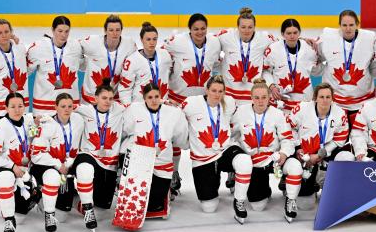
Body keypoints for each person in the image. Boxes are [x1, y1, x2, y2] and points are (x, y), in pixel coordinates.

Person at [230, 79, 300, 223]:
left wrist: (284, 153)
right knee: (257, 206)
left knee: (295, 166)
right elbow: (231, 135)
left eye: (264, 97)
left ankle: (291, 201)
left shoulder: (278, 115)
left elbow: (287, 139)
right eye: (257, 97)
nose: (260, 101)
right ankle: (260, 192)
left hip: (273, 160)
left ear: (269, 98)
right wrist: (238, 154)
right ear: (251, 98)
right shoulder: (241, 113)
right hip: (253, 164)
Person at [181, 75, 253, 215]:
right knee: (209, 207)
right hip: (203, 158)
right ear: (207, 90)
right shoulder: (191, 103)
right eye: (214, 90)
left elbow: (240, 121)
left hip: (224, 150)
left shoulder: (229, 102)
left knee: (244, 161)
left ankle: (239, 201)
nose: (217, 94)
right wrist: (185, 143)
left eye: (220, 91)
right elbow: (177, 120)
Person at [122, 83, 188, 219]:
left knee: (154, 206)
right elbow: (125, 131)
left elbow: (181, 140)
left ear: (161, 96)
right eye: (150, 97)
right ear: (144, 98)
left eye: (157, 96)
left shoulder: (173, 113)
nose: (154, 100)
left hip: (162, 163)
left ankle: (166, 192)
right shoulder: (134, 110)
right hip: (140, 162)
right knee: (139, 203)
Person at [287, 83, 354, 208]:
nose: (325, 100)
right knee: (305, 205)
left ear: (332, 98)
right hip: (305, 151)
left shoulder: (340, 113)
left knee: (347, 157)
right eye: (321, 97)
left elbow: (340, 138)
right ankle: (303, 184)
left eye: (328, 97)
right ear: (315, 98)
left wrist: (321, 153)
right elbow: (288, 128)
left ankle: (332, 188)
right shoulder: (301, 109)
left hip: (326, 150)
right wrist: (298, 147)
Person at [0, 92, 37, 232]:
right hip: (1, 170)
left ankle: (1, 198)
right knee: (18, 215)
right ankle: (6, 217)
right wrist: (11, 166)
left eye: (20, 106)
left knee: (24, 212)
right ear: (6, 107)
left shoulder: (29, 122)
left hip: (23, 172)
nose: (17, 110)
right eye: (12, 106)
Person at [29, 93, 85, 232]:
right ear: (55, 107)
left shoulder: (78, 120)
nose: (67, 109)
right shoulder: (46, 123)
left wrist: (67, 164)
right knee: (60, 215)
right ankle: (40, 197)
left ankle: (73, 198)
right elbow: (35, 150)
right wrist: (58, 165)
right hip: (46, 166)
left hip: (66, 167)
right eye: (63, 106)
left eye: (70, 106)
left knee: (64, 214)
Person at [72, 82, 126, 227]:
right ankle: (84, 205)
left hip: (109, 164)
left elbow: (141, 107)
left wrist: (163, 103)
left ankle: (79, 199)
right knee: (85, 168)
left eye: (110, 98)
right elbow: (64, 107)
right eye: (104, 98)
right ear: (95, 98)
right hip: (89, 156)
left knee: (102, 211)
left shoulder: (119, 109)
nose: (108, 101)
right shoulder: (85, 110)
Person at [316, 10, 376, 127]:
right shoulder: (328, 38)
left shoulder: (369, 39)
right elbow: (315, 55)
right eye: (344, 25)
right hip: (335, 103)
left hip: (363, 101)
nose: (348, 29)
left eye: (351, 25)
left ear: (357, 24)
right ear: (339, 25)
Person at [27, 15, 82, 116]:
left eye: (66, 31)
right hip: (43, 109)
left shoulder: (76, 47)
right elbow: (25, 71)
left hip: (70, 108)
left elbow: (84, 65)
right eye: (60, 31)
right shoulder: (38, 48)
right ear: (52, 30)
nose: (63, 35)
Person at [218, 7, 276, 104]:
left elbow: (284, 44)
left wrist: (302, 40)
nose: (246, 30)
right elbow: (208, 41)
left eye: (250, 27)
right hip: (229, 97)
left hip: (252, 98)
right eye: (243, 27)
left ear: (254, 27)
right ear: (238, 27)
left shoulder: (264, 38)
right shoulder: (226, 36)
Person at [263, 18, 321, 113]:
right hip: (281, 102)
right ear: (282, 34)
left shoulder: (310, 49)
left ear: (299, 33)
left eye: (295, 33)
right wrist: (271, 86)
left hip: (304, 101)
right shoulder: (273, 49)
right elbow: (265, 71)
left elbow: (318, 68)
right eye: (288, 33)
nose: (292, 36)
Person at [165, 13, 222, 105]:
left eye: (203, 29)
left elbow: (216, 64)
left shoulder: (215, 42)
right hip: (177, 100)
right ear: (190, 29)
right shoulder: (176, 42)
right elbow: (159, 56)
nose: (200, 32)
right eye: (196, 29)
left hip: (203, 101)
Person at [79, 14, 137, 105]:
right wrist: (83, 63)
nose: (115, 33)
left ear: (122, 30)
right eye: (111, 30)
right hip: (91, 98)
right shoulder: (92, 42)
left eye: (118, 30)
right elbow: (74, 49)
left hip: (114, 100)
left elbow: (135, 64)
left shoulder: (129, 45)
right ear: (105, 31)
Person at [0, 19, 29, 129]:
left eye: (7, 32)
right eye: (0, 33)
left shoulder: (20, 48)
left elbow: (26, 70)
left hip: (19, 108)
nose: (4, 35)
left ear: (11, 32)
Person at [119, 22, 172, 105]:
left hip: (162, 105)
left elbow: (172, 74)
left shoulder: (165, 55)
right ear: (141, 39)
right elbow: (125, 88)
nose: (152, 42)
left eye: (154, 39)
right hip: (141, 107)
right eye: (148, 39)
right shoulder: (132, 60)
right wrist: (128, 107)